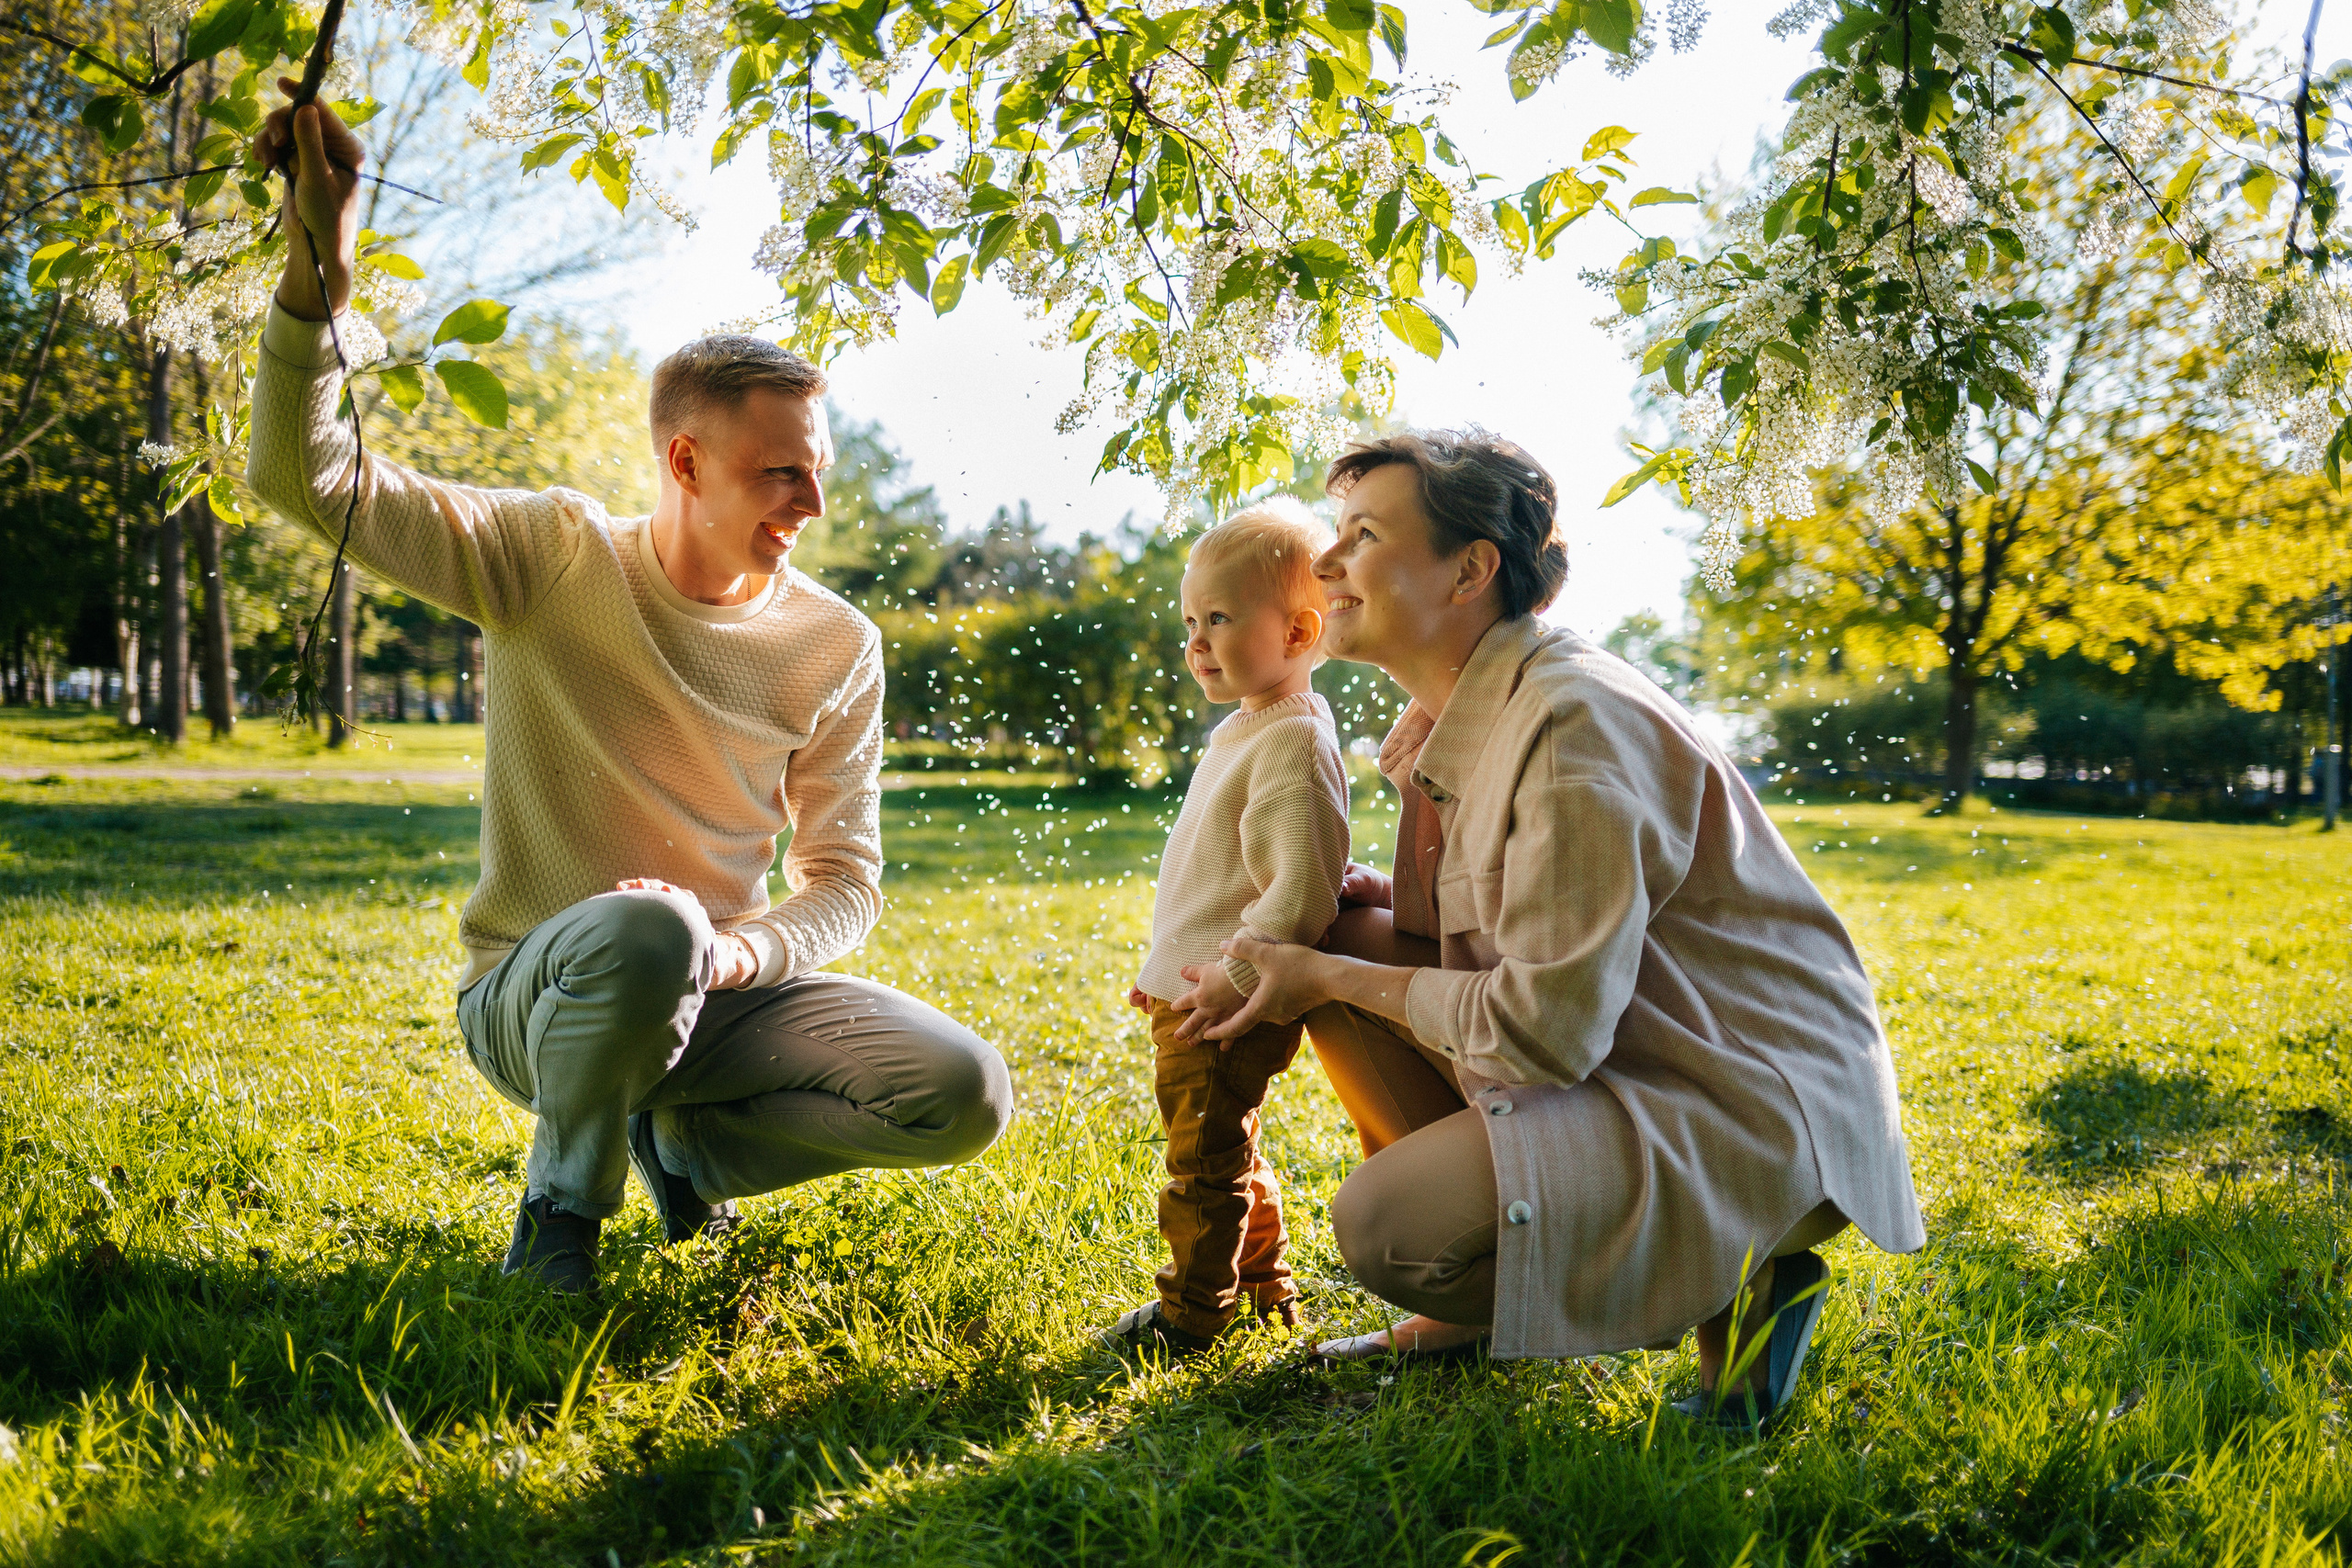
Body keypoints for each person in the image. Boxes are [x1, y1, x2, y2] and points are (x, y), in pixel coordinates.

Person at [247, 89, 1012, 1296]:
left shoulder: (835, 640)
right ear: (685, 460)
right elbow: (306, 477)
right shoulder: (552, 555)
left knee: (963, 1093)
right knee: (647, 928)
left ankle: (685, 1141)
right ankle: (562, 1211)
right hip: (539, 995)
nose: (809, 506)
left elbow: (843, 882)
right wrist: (315, 289)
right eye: (781, 475)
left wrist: (742, 954)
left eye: (816, 474)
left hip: (716, 993)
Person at [1182, 431, 1925, 1425]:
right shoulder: (1472, 707)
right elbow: (1509, 930)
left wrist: (1323, 980)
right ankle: (1471, 1321)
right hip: (1641, 1042)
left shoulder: (1571, 726)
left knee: (1391, 1231)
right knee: (1348, 937)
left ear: (1469, 570)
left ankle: (1745, 1276)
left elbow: (1543, 1031)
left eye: (1360, 536)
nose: (1322, 564)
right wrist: (1357, 926)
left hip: (1735, 1096)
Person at [1104, 500, 1351, 1358]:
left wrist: (1234, 979)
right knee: (1224, 1145)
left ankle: (1191, 1314)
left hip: (1224, 999)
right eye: (1189, 621)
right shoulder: (1250, 726)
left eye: (1218, 618)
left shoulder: (1291, 742)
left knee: (1202, 1164)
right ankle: (1263, 1287)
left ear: (1297, 631)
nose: (1196, 641)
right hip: (1196, 987)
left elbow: (1304, 892)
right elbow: (1220, 873)